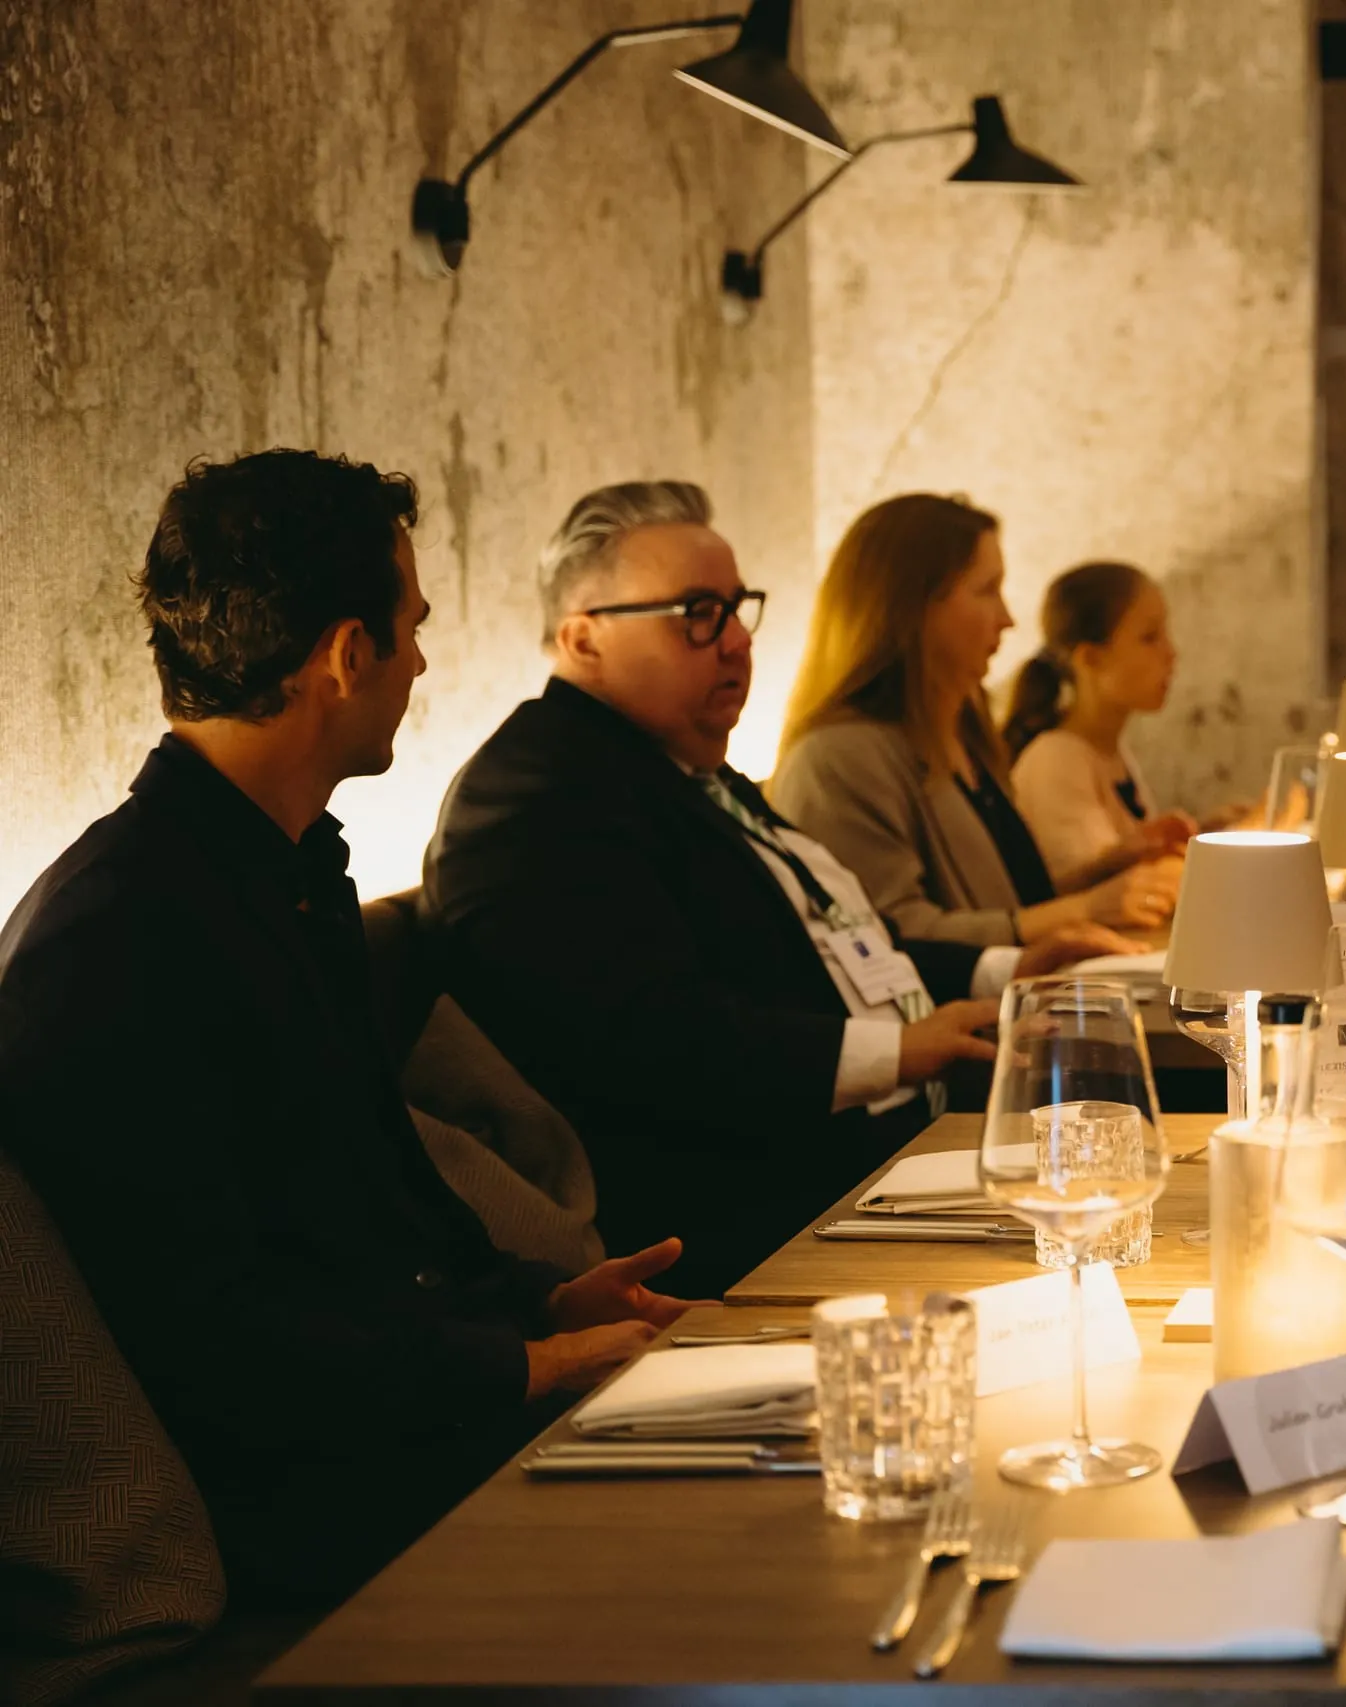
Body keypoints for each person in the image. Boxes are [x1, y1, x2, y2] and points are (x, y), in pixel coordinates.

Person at [0, 452, 697, 1607]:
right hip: (313, 1516)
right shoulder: (112, 941)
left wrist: (544, 1301)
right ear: (344, 655)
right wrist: (520, 1369)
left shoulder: (289, 876)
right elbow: (218, 1347)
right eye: (411, 628)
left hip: (411, 1422)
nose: (423, 660)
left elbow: (381, 1210)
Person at [426, 483, 1130, 1295]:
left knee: (1133, 1175)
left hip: (874, 1159)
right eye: (697, 613)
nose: (734, 644)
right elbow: (656, 1044)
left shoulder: (684, 765)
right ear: (583, 638)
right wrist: (902, 1048)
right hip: (743, 1225)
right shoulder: (536, 794)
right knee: (1106, 1220)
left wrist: (1004, 968)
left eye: (736, 608)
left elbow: (830, 943)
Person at [770, 495, 1183, 946]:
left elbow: (1005, 907)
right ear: (916, 608)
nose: (1006, 619)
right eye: (987, 590)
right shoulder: (840, 759)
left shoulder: (966, 732)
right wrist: (1085, 908)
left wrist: (1108, 872)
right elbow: (889, 936)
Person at [1001, 560, 1202, 881]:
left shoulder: (1110, 748)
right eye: (1150, 638)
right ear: (1090, 658)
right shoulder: (1057, 758)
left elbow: (1135, 857)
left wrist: (1212, 831)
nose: (1171, 653)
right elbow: (1106, 892)